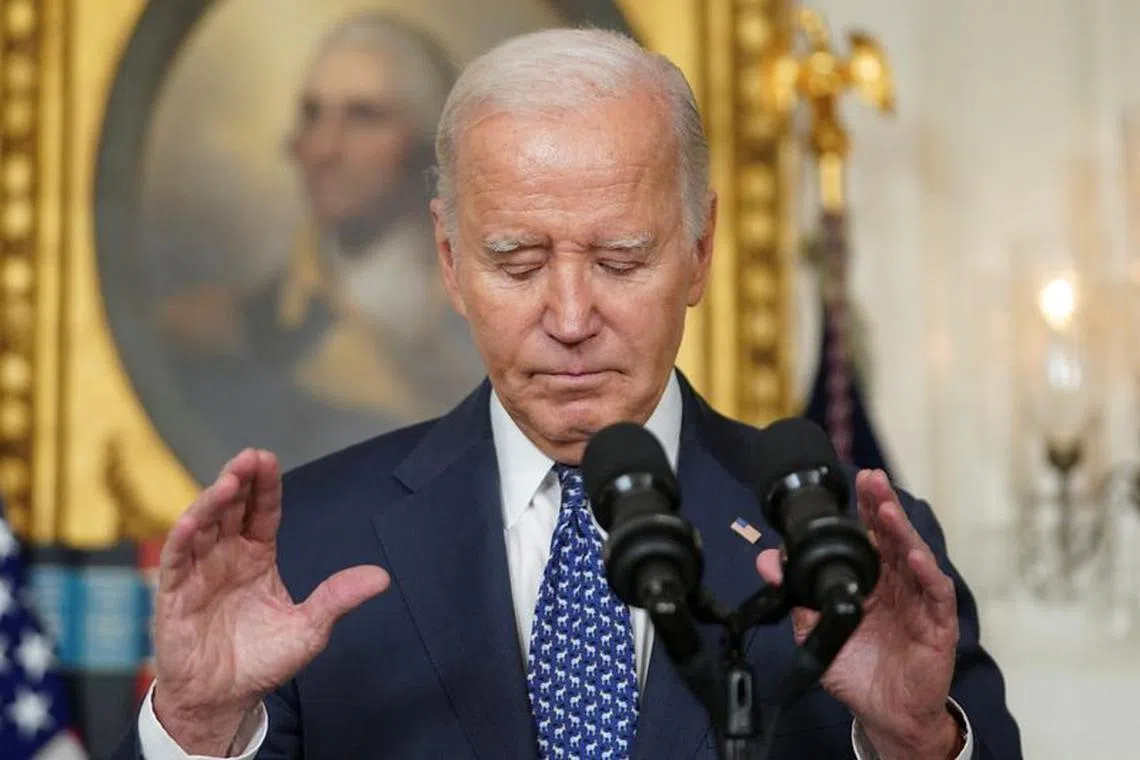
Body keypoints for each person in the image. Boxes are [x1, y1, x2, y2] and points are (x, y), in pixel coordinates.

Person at [116, 27, 1021, 760]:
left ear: (700, 252)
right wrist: (194, 731)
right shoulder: (308, 545)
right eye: (517, 260)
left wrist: (918, 745)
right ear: (450, 261)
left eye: (621, 259)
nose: (572, 315)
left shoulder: (846, 547)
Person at [157, 12, 484, 473]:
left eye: (364, 117)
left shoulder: (492, 318)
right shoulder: (234, 331)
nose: (326, 147)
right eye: (313, 116)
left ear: (429, 146)